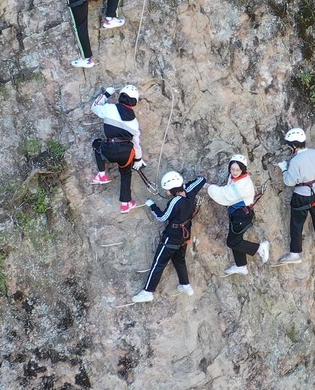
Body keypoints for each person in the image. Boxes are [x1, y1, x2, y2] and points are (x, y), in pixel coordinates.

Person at [133, 171, 197, 302]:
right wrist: (185, 186)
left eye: (167, 190)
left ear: (173, 190)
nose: (166, 192)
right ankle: (185, 285)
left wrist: (152, 205)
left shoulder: (175, 202)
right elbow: (201, 180)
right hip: (185, 235)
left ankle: (148, 292)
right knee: (179, 259)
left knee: (159, 263)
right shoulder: (190, 194)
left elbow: (162, 217)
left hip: (172, 236)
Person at [279, 128, 315, 263]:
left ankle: (295, 254)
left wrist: (284, 168)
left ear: (294, 146)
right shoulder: (314, 153)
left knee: (296, 224)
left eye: (290, 145)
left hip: (301, 195)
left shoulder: (295, 161)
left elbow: (289, 181)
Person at [90, 84, 143, 212]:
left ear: (121, 96)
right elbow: (136, 143)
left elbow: (95, 107)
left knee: (97, 143)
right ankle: (125, 204)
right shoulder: (134, 122)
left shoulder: (109, 108)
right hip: (126, 153)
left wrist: (107, 94)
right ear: (134, 102)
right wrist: (138, 159)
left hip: (109, 148)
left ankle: (102, 174)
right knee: (126, 173)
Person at [205, 155, 259, 274]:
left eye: (237, 170)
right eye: (232, 169)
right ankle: (241, 266)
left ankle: (260, 248)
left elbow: (223, 194)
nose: (234, 172)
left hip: (241, 215)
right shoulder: (237, 178)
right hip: (238, 214)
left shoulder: (242, 184)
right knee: (237, 240)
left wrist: (208, 187)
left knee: (232, 242)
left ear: (243, 170)